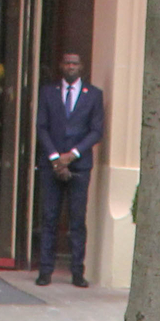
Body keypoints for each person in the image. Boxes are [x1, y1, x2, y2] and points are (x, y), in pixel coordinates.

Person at [34, 52, 104, 287]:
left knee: (77, 221)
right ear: (61, 66)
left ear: (81, 66)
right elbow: (41, 127)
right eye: (67, 63)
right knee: (49, 218)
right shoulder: (47, 92)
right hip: (51, 165)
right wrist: (56, 158)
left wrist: (72, 155)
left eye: (75, 63)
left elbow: (96, 131)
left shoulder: (94, 95)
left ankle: (77, 272)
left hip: (80, 166)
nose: (71, 66)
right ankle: (45, 271)